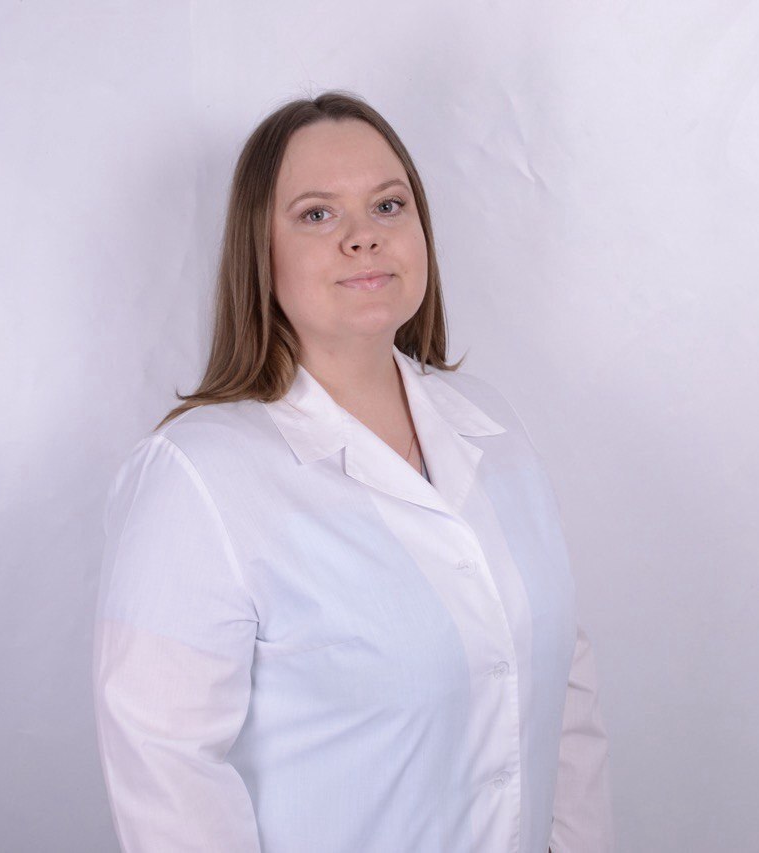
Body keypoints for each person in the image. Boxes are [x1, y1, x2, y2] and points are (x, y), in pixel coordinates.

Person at [92, 90, 614, 853]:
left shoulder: (491, 424)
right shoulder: (196, 476)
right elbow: (167, 773)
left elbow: (562, 687)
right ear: (259, 253)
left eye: (387, 205)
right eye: (316, 214)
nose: (363, 236)